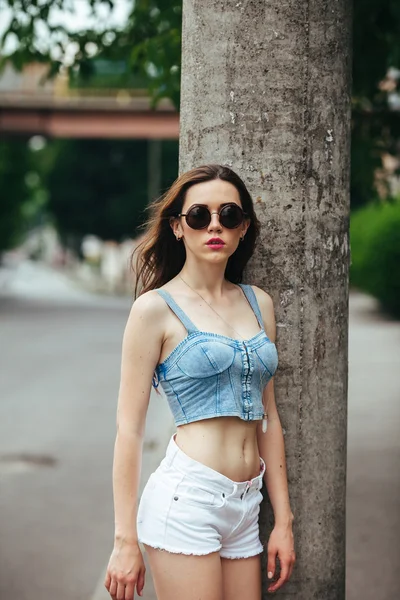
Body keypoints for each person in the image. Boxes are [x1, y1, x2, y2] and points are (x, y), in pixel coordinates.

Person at [104, 164, 295, 600]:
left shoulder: (258, 303)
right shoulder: (154, 310)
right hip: (186, 500)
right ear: (177, 226)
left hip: (246, 504)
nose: (215, 226)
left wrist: (283, 521)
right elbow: (129, 431)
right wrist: (124, 538)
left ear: (243, 228)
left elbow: (270, 418)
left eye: (229, 215)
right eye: (198, 216)